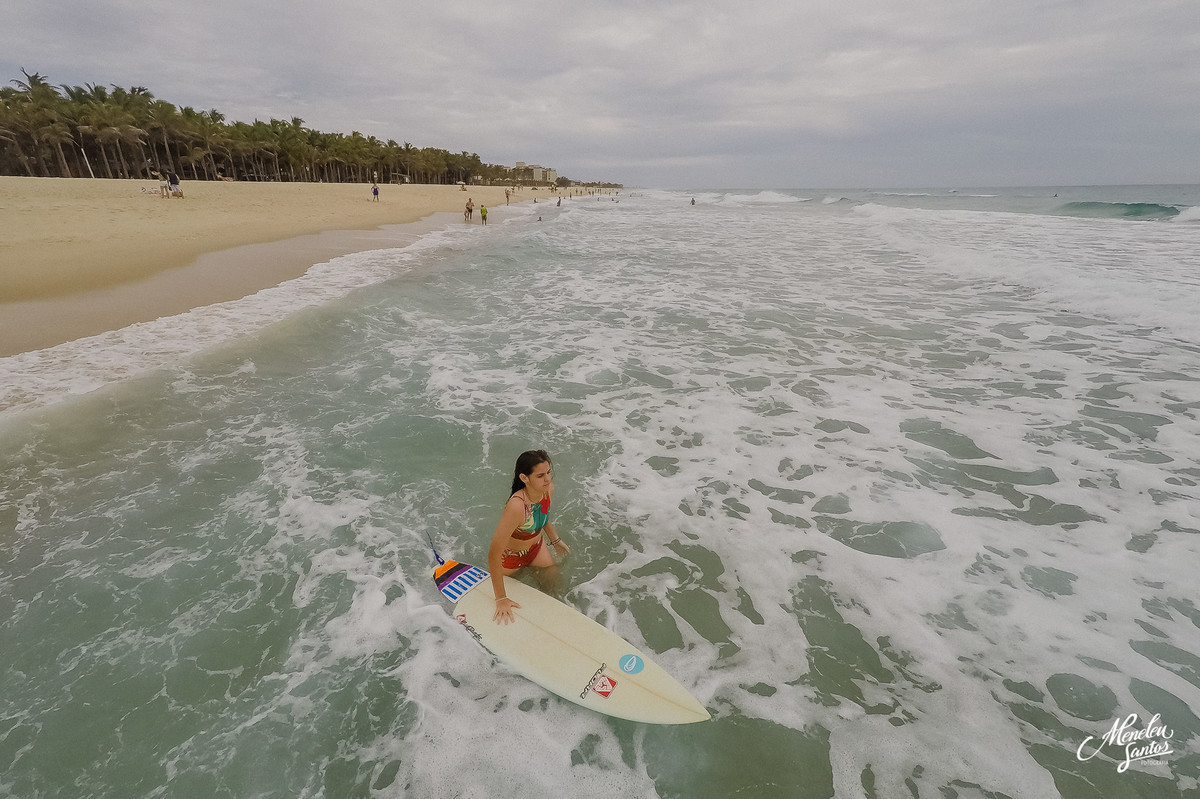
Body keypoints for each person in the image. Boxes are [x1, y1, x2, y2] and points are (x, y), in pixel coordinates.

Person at [488, 450, 569, 624]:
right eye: (540, 475)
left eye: (548, 473)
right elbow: (494, 553)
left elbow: (542, 515)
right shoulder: (516, 506)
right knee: (517, 601)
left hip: (536, 548)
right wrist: (500, 598)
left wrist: (554, 540)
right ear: (524, 478)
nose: (547, 479)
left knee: (554, 587)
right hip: (510, 558)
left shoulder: (547, 490)